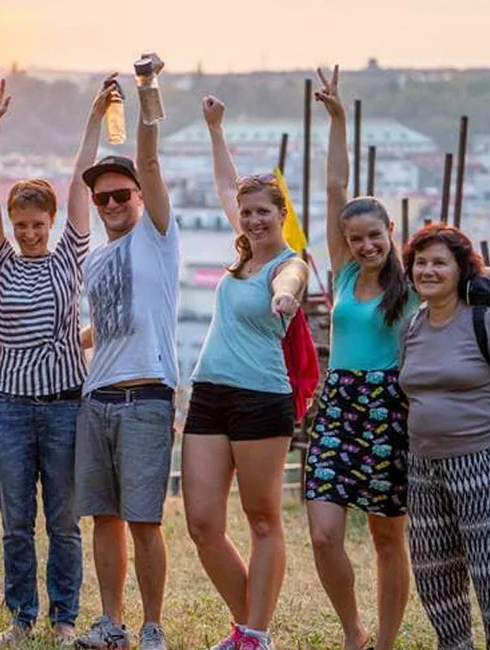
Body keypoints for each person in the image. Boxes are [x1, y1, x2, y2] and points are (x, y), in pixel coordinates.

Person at [308, 66, 490, 650]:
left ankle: (385, 640)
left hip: (392, 405)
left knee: (388, 538)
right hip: (340, 403)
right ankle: (352, 630)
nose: (365, 245)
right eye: (355, 238)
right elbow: (334, 188)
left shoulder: (415, 278)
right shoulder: (343, 272)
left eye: (375, 235)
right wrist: (338, 119)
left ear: (390, 231)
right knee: (322, 533)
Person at [0, 73, 102, 646]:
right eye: (21, 225)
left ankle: (64, 617)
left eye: (37, 225)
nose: (29, 233)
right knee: (15, 525)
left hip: (66, 407)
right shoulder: (1, 262)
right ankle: (21, 618)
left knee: (64, 523)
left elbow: (79, 181)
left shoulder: (69, 257)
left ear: (51, 224)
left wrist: (93, 118)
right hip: (10, 407)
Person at [183, 95, 310, 650]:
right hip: (209, 391)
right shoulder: (241, 258)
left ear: (282, 215)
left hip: (262, 397)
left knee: (261, 519)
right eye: (248, 212)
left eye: (265, 211)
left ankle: (253, 634)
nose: (255, 219)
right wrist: (216, 129)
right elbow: (225, 183)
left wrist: (285, 298)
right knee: (202, 523)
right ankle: (251, 627)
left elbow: (291, 282)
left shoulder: (290, 263)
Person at [71, 54, 179, 650]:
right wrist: (75, 338)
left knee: (144, 520)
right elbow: (109, 323)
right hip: (98, 398)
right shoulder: (96, 259)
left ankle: (152, 625)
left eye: (121, 195)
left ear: (140, 196)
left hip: (145, 396)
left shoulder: (157, 237)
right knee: (103, 518)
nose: (111, 205)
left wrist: (145, 87)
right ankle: (111, 622)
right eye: (103, 199)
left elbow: (151, 157)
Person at [400, 223, 490, 650]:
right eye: (420, 262)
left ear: (461, 270)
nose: (428, 270)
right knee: (434, 574)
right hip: (424, 466)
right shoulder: (413, 326)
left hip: (485, 461)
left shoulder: (485, 322)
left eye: (439, 262)